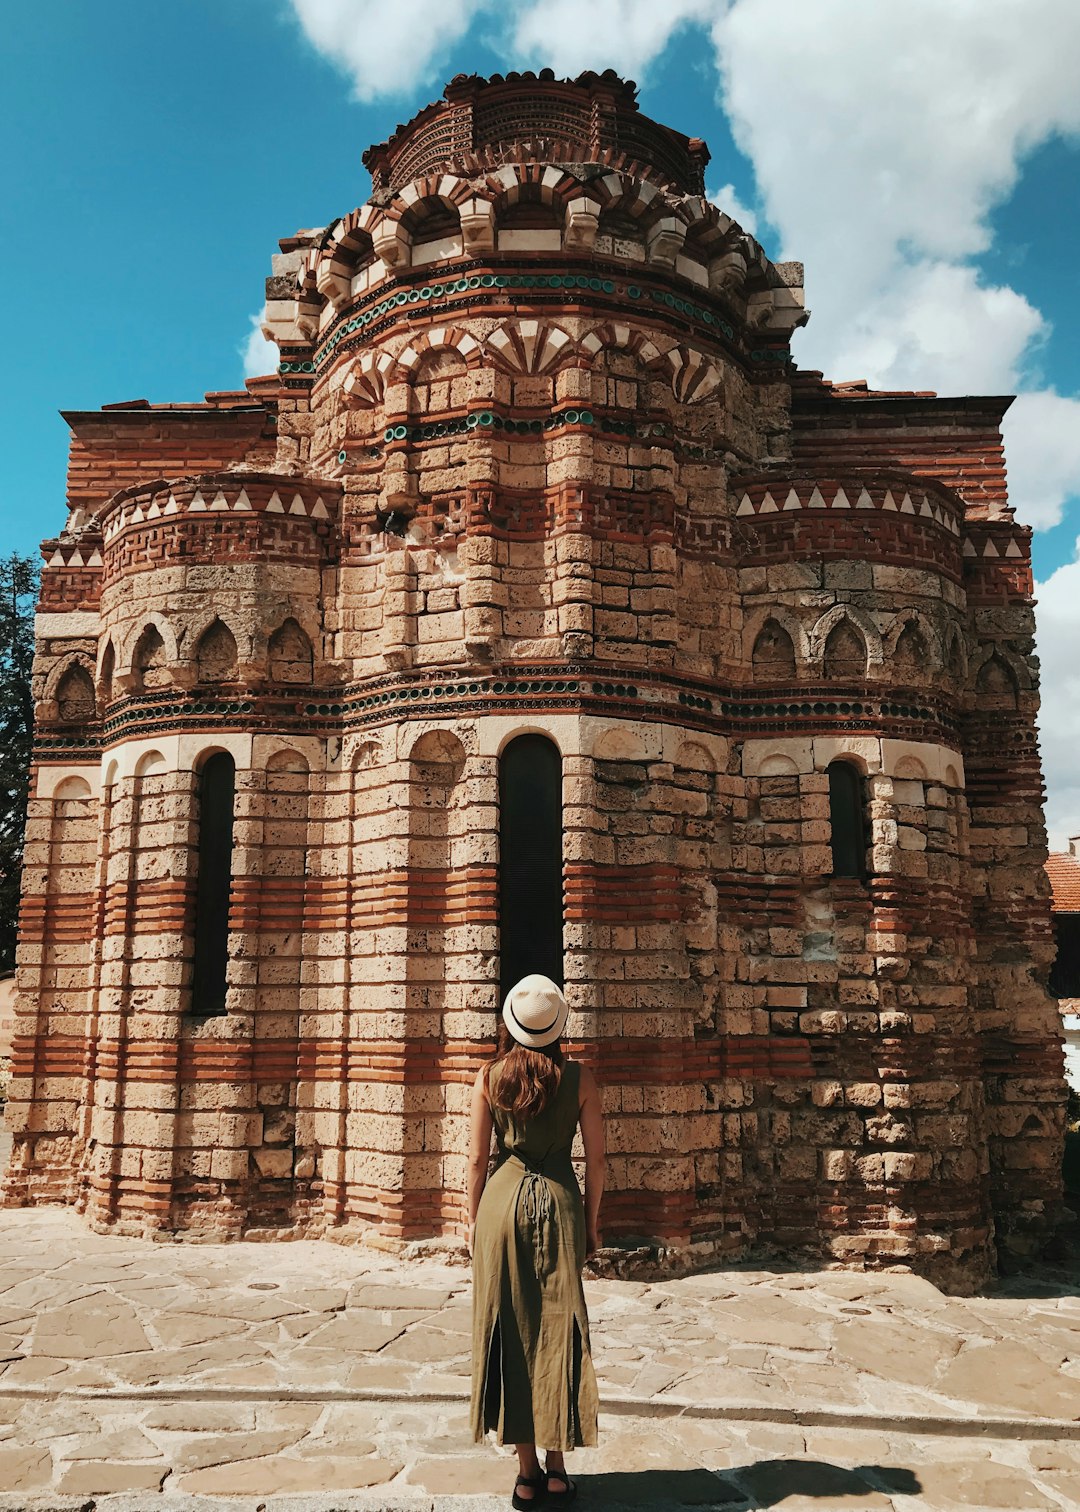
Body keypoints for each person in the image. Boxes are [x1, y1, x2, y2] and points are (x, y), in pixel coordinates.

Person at [469, 974, 606, 1507]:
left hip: (500, 1207)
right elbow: (596, 1158)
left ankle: (524, 1473)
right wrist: (592, 1222)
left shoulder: (488, 1077)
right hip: (560, 1201)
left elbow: (478, 1160)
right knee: (559, 1327)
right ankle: (555, 1467)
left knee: (511, 1329)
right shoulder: (581, 1078)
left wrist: (469, 1219)